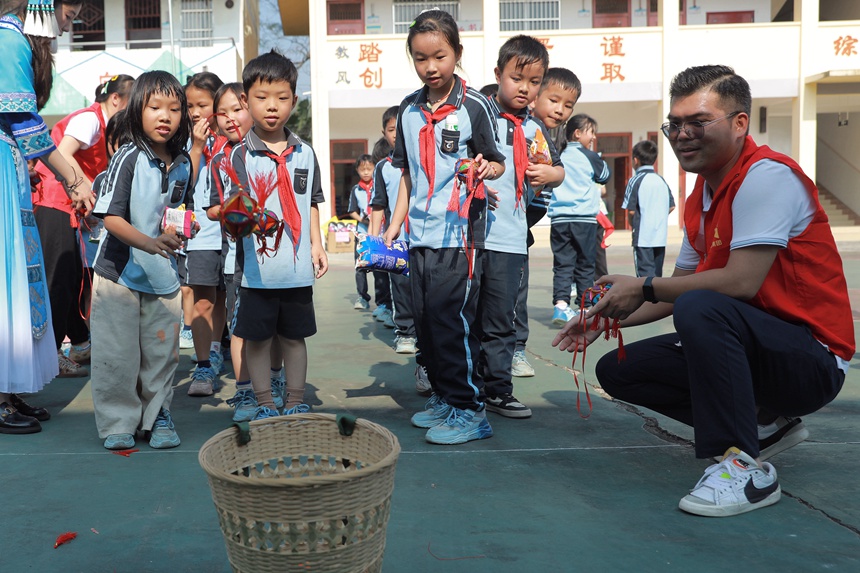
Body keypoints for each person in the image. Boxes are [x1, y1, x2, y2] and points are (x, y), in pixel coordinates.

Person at [553, 65, 854, 517]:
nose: (682, 134)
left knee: (703, 306)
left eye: (698, 122)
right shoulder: (701, 197)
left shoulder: (766, 177)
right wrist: (603, 317)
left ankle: (745, 466)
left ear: (739, 124)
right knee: (621, 370)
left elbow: (738, 282)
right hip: (759, 346)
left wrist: (645, 285)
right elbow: (674, 292)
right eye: (675, 124)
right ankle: (764, 427)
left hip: (811, 359)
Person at [382, 9, 506, 445]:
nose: (430, 67)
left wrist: (483, 168)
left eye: (439, 56)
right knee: (425, 321)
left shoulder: (475, 105)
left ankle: (471, 410)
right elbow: (407, 175)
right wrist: (396, 225)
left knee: (451, 321)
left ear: (457, 53)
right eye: (420, 58)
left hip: (461, 235)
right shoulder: (409, 109)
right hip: (420, 234)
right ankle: (445, 398)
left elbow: (497, 162)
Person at [90, 71, 193, 450]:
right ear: (138, 110)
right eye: (155, 107)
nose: (165, 116)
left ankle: (157, 416)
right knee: (117, 353)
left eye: (174, 108)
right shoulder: (128, 157)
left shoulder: (183, 163)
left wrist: (186, 228)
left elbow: (182, 210)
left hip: (163, 275)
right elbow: (111, 217)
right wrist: (149, 242)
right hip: (118, 274)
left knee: (161, 353)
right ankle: (119, 420)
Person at [0, 0, 89, 434]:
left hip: (9, 168)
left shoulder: (13, 39)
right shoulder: (7, 39)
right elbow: (26, 123)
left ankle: (8, 390)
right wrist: (74, 178)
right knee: (5, 280)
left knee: (15, 278)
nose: (66, 27)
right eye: (68, 17)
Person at [224, 49, 328, 420]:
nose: (272, 107)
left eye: (282, 98)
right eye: (262, 98)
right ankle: (265, 401)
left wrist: (317, 244)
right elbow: (232, 209)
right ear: (245, 100)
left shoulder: (306, 153)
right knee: (258, 339)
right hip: (257, 273)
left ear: (294, 101)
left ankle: (296, 398)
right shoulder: (239, 156)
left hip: (297, 269)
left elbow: (312, 202)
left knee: (294, 338)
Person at [480, 35, 563, 419]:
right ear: (499, 75)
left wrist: (552, 173)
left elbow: (555, 169)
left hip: (511, 240)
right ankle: (458, 389)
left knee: (501, 319)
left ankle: (498, 390)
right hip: (470, 237)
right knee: (463, 316)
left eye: (534, 82)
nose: (525, 89)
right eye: (517, 78)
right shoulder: (477, 116)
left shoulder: (534, 131)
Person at [34, 73, 133, 377]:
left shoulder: (102, 125)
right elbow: (62, 153)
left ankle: (79, 342)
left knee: (75, 277)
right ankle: (49, 356)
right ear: (115, 99)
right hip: (53, 203)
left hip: (66, 207)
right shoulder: (89, 120)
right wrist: (88, 192)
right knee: (59, 281)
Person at [513, 67, 581, 377]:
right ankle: (511, 350)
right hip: (511, 225)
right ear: (535, 95)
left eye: (568, 105)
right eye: (554, 100)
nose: (561, 110)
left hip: (520, 228)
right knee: (509, 293)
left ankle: (515, 350)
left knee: (515, 292)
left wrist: (553, 174)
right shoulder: (527, 126)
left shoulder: (544, 131)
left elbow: (557, 168)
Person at [183, 71, 230, 397]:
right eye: (189, 106)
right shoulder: (183, 141)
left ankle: (216, 346)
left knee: (224, 297)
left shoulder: (235, 137)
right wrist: (197, 146)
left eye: (202, 104)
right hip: (200, 233)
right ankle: (203, 364)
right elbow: (184, 181)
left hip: (231, 234)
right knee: (202, 300)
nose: (195, 112)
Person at [548, 113, 610, 325]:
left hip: (559, 219)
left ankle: (560, 307)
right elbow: (604, 176)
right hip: (583, 218)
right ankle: (585, 309)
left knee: (563, 264)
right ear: (578, 133)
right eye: (590, 132)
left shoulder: (559, 154)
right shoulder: (589, 156)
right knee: (585, 264)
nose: (593, 137)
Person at [369, 106, 419, 354]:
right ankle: (406, 333)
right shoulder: (382, 168)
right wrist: (373, 237)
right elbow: (378, 205)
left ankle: (426, 333)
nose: (397, 135)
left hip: (424, 239)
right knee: (400, 287)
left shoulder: (424, 161)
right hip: (396, 240)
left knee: (425, 289)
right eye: (391, 130)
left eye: (400, 128)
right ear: (384, 133)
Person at [348, 153, 392, 324]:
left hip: (380, 232)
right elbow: (352, 210)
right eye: (362, 169)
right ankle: (363, 297)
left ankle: (382, 302)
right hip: (363, 232)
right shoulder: (356, 190)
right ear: (357, 171)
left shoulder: (379, 186)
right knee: (360, 267)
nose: (366, 172)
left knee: (380, 268)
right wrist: (363, 220)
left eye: (369, 169)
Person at [622, 139, 675, 277]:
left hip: (643, 238)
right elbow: (671, 206)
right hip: (660, 236)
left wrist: (633, 224)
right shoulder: (661, 180)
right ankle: (657, 299)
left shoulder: (635, 180)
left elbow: (631, 210)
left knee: (644, 278)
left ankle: (646, 300)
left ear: (635, 160)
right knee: (657, 276)